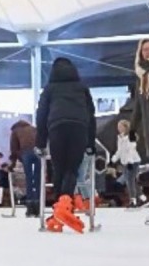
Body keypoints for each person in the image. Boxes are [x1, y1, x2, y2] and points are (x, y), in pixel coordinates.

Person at [35, 57, 95, 233]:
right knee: (72, 169)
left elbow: (41, 115)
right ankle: (63, 207)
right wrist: (90, 142)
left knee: (59, 169)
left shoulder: (49, 89)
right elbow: (91, 115)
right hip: (79, 127)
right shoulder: (82, 88)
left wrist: (40, 142)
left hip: (57, 127)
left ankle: (59, 209)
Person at [129, 38, 149, 225]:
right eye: (145, 50)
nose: (148, 52)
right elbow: (138, 106)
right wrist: (133, 128)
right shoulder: (142, 76)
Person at [10, 119, 40, 217]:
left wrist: (12, 164)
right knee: (37, 179)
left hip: (26, 152)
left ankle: (30, 208)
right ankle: (38, 206)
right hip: (38, 152)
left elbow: (14, 149)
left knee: (29, 179)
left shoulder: (15, 131)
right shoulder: (33, 128)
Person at [112, 119, 142, 208]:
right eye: (118, 127)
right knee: (130, 181)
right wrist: (113, 159)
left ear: (125, 127)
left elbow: (131, 150)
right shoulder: (120, 137)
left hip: (133, 161)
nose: (119, 128)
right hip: (125, 162)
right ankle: (142, 198)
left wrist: (130, 162)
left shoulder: (131, 136)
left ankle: (133, 201)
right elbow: (119, 150)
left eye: (120, 126)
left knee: (130, 180)